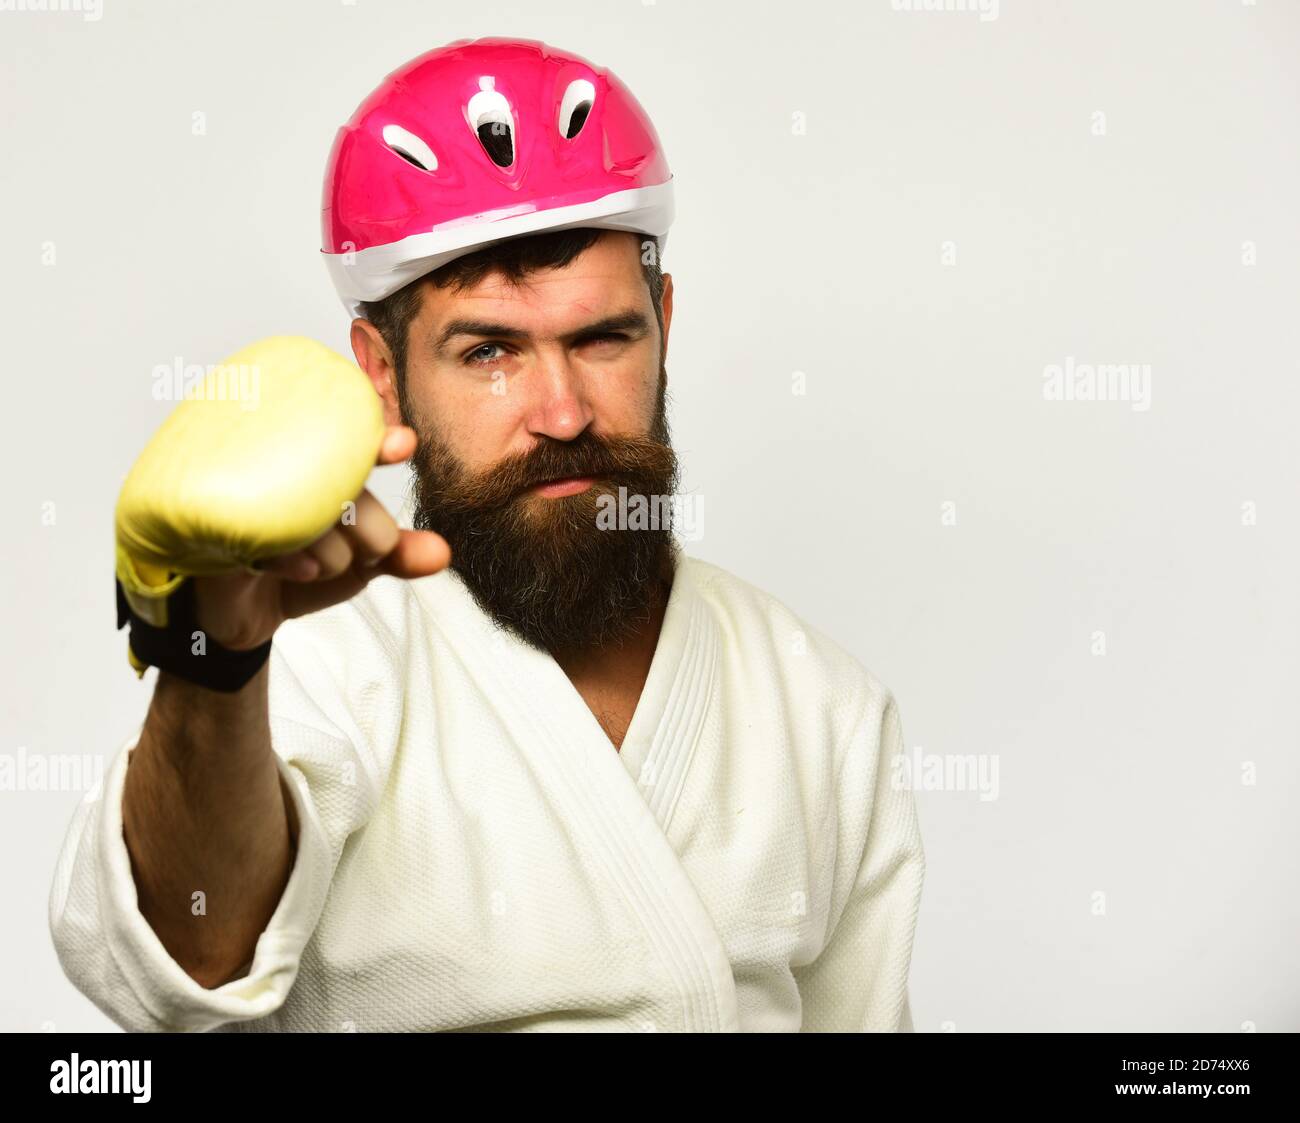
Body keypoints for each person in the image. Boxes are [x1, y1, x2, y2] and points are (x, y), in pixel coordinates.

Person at [49, 36, 925, 1032]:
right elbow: (184, 963)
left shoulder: (822, 706)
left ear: (664, 322)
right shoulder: (314, 664)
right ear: (381, 370)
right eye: (489, 351)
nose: (562, 412)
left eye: (602, 338)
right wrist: (210, 662)